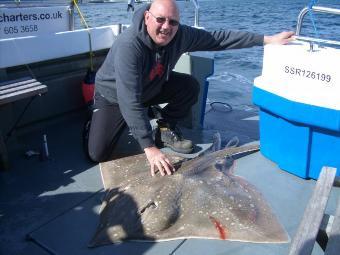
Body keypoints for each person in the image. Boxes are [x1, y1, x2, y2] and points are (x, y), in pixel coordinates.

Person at [87, 0, 294, 177]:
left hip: (151, 87)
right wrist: (149, 148)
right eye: (160, 19)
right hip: (114, 96)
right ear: (148, 17)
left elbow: (220, 38)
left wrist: (268, 40)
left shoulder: (180, 35)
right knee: (98, 154)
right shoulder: (130, 46)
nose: (166, 27)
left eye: (173, 22)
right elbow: (128, 98)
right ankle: (94, 123)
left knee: (189, 86)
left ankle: (165, 128)